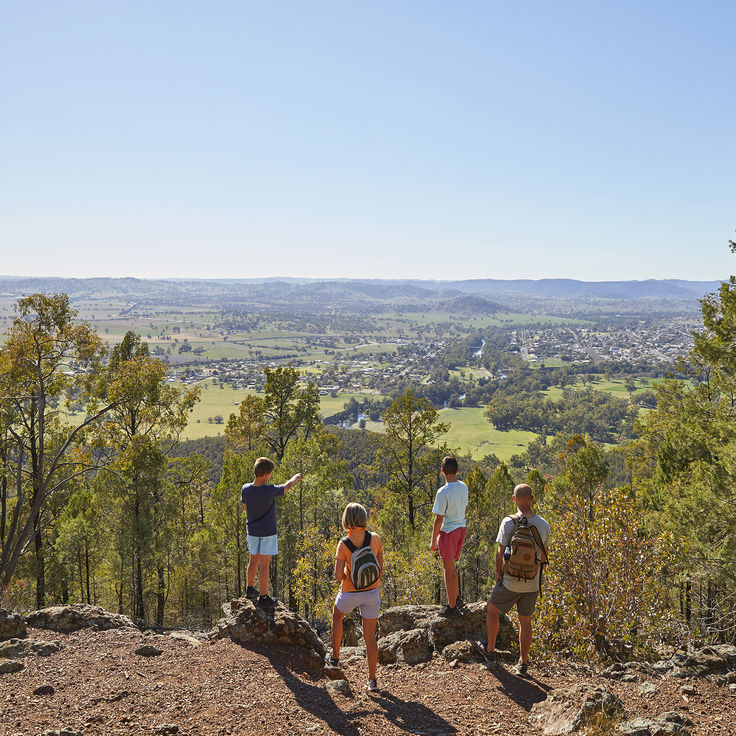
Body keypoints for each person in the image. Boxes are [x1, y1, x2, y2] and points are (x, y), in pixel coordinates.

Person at [483, 483, 549, 676]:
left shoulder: (508, 522)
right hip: (532, 582)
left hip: (510, 581)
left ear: (514, 499)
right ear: (532, 499)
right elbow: (544, 557)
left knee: (492, 608)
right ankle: (523, 662)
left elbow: (500, 552)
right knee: (525, 620)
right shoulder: (543, 524)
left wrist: (498, 573)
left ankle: (490, 651)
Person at [325, 502, 384, 692]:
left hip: (350, 591)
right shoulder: (375, 538)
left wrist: (346, 570)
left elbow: (338, 576)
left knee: (337, 616)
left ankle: (335, 659)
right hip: (372, 592)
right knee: (369, 637)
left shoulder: (343, 544)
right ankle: (373, 681)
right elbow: (380, 570)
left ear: (346, 520)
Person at [241, 457, 302, 607]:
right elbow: (286, 487)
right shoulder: (269, 490)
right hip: (268, 532)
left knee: (253, 560)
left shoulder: (246, 488)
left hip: (252, 531)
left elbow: (245, 507)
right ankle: (263, 596)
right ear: (267, 475)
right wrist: (295, 478)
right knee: (265, 564)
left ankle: (250, 589)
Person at [430, 456, 469, 618]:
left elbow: (438, 519)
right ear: (457, 471)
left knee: (448, 570)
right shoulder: (463, 487)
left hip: (448, 532)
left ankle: (452, 607)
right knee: (453, 568)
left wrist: (433, 541)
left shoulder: (443, 492)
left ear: (442, 472)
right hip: (461, 528)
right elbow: (465, 508)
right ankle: (457, 598)